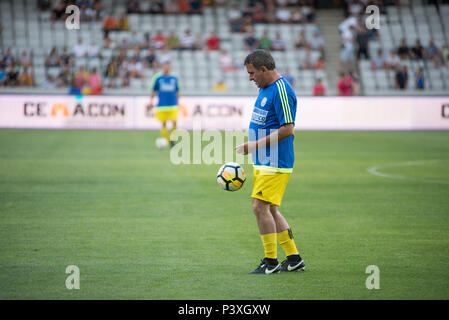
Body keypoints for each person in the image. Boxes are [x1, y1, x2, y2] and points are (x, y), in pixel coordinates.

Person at [235, 50, 305, 274]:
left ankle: (271, 262)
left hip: (275, 161)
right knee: (271, 209)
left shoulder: (282, 90)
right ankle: (294, 259)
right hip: (264, 160)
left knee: (259, 207)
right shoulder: (265, 88)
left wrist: (252, 146)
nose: (250, 78)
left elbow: (287, 129)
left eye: (252, 73)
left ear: (264, 69)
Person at [149, 61, 180, 148]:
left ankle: (172, 139)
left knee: (175, 122)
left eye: (168, 66)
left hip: (173, 104)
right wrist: (151, 101)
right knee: (163, 123)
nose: (166, 68)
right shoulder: (158, 78)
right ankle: (165, 140)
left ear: (170, 68)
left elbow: (178, 91)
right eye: (165, 66)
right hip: (162, 105)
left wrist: (178, 102)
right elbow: (153, 90)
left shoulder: (174, 78)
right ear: (163, 67)